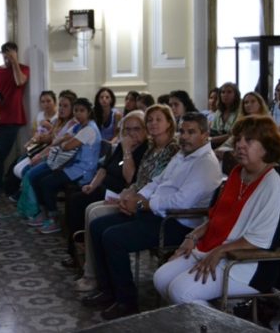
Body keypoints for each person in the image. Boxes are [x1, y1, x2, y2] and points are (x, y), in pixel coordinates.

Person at [82, 112, 222, 320]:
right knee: (97, 226)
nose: (184, 137)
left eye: (191, 132)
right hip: (154, 212)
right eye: (182, 131)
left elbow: (181, 202)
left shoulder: (206, 164)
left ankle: (126, 301)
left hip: (177, 224)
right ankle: (107, 289)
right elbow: (157, 181)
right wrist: (136, 198)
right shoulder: (182, 154)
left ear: (205, 134)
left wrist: (142, 204)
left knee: (113, 238)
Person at [154, 115, 280, 308]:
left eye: (249, 140)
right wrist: (193, 236)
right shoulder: (238, 172)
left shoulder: (275, 182)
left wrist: (221, 251)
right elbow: (217, 218)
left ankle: (224, 321)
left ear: (267, 146)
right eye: (238, 139)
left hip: (248, 263)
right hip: (214, 249)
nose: (240, 145)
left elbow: (261, 240)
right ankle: (210, 318)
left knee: (181, 291)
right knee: (161, 278)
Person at [74, 104, 180, 292]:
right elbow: (138, 181)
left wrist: (131, 198)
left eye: (158, 120)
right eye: (150, 120)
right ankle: (96, 276)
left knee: (97, 217)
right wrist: (125, 195)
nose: (153, 123)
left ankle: (97, 278)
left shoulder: (172, 150)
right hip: (135, 197)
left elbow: (153, 185)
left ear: (169, 124)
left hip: (152, 207)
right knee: (91, 210)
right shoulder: (151, 148)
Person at [62, 110, 150, 269]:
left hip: (120, 195)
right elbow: (104, 168)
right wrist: (92, 185)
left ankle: (81, 249)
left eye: (136, 129)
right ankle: (78, 247)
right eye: (127, 129)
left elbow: (130, 178)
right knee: (74, 197)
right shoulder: (121, 146)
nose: (131, 133)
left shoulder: (144, 150)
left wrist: (127, 151)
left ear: (145, 130)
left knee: (79, 202)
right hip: (104, 187)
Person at [27, 98, 102, 234]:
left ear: (89, 112)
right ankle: (44, 213)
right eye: (76, 110)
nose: (78, 114)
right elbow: (59, 139)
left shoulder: (89, 129)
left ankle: (54, 219)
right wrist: (63, 141)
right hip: (70, 165)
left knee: (46, 183)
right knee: (37, 178)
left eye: (82, 111)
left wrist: (64, 142)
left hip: (83, 170)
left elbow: (67, 146)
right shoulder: (79, 126)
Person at [0, 41, 30, 193]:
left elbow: (20, 82)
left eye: (11, 54)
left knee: (0, 153)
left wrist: (14, 63)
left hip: (13, 118)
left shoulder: (23, 69)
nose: (8, 58)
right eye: (6, 55)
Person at [210, 82, 241, 148]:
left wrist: (209, 139)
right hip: (216, 142)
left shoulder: (240, 112)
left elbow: (233, 135)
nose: (225, 95)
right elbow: (213, 130)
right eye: (223, 92)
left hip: (232, 144)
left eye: (229, 92)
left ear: (236, 95)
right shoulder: (218, 112)